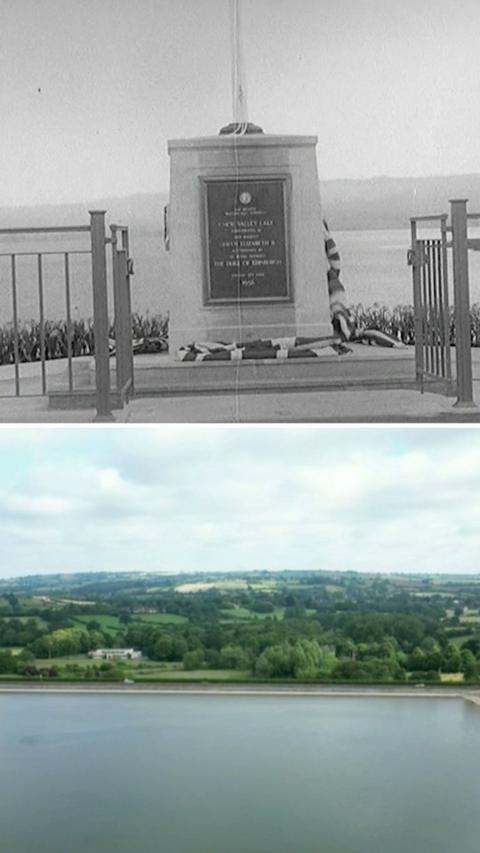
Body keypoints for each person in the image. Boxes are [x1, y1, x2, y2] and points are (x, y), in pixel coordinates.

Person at [323, 218, 356, 341]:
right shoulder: (319, 224)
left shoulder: (320, 226)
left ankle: (340, 322)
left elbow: (334, 257)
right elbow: (335, 259)